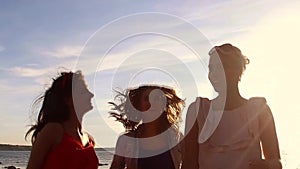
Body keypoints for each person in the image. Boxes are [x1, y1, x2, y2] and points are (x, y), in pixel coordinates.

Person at [182, 43, 282, 169]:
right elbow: (188, 163)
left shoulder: (259, 111)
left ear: (237, 70)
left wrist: (267, 166)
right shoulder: (198, 111)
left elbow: (276, 162)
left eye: (221, 67)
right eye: (211, 68)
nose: (214, 74)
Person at [25, 71, 98, 169]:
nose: (91, 95)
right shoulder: (53, 130)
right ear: (69, 100)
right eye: (84, 91)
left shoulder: (89, 139)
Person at [109, 85, 185, 169]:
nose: (152, 102)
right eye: (146, 98)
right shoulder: (126, 140)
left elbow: (190, 164)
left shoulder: (177, 138)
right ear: (138, 106)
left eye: (157, 98)